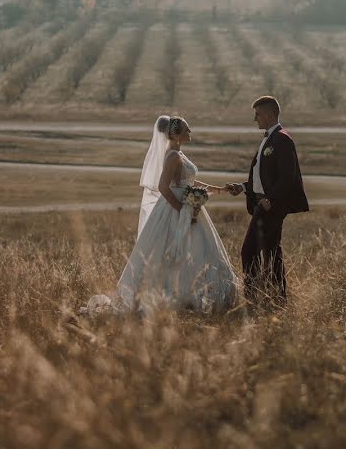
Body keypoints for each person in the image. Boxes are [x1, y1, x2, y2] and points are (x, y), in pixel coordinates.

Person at [114, 115, 238, 313]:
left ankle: (192, 292)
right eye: (187, 129)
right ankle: (176, 295)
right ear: (176, 134)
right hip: (175, 209)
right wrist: (182, 211)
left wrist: (221, 190)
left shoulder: (179, 154)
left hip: (188, 205)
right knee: (172, 251)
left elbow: (191, 183)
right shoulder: (172, 156)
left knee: (195, 249)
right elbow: (163, 187)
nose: (190, 132)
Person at [226, 96, 308, 305]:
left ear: (270, 114)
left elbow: (288, 177)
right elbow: (262, 177)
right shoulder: (268, 139)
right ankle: (276, 299)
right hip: (262, 204)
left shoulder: (282, 139)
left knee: (250, 252)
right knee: (271, 252)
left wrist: (270, 199)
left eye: (258, 114)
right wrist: (243, 187)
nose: (255, 119)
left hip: (271, 206)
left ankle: (254, 299)